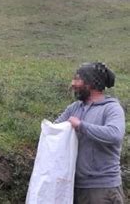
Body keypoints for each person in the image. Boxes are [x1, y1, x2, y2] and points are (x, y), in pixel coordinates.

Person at [54, 62, 126, 203]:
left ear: (91, 83)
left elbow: (114, 134)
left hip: (103, 189)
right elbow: (55, 130)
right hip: (75, 187)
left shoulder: (111, 109)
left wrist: (81, 126)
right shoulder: (75, 108)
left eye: (77, 79)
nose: (72, 84)